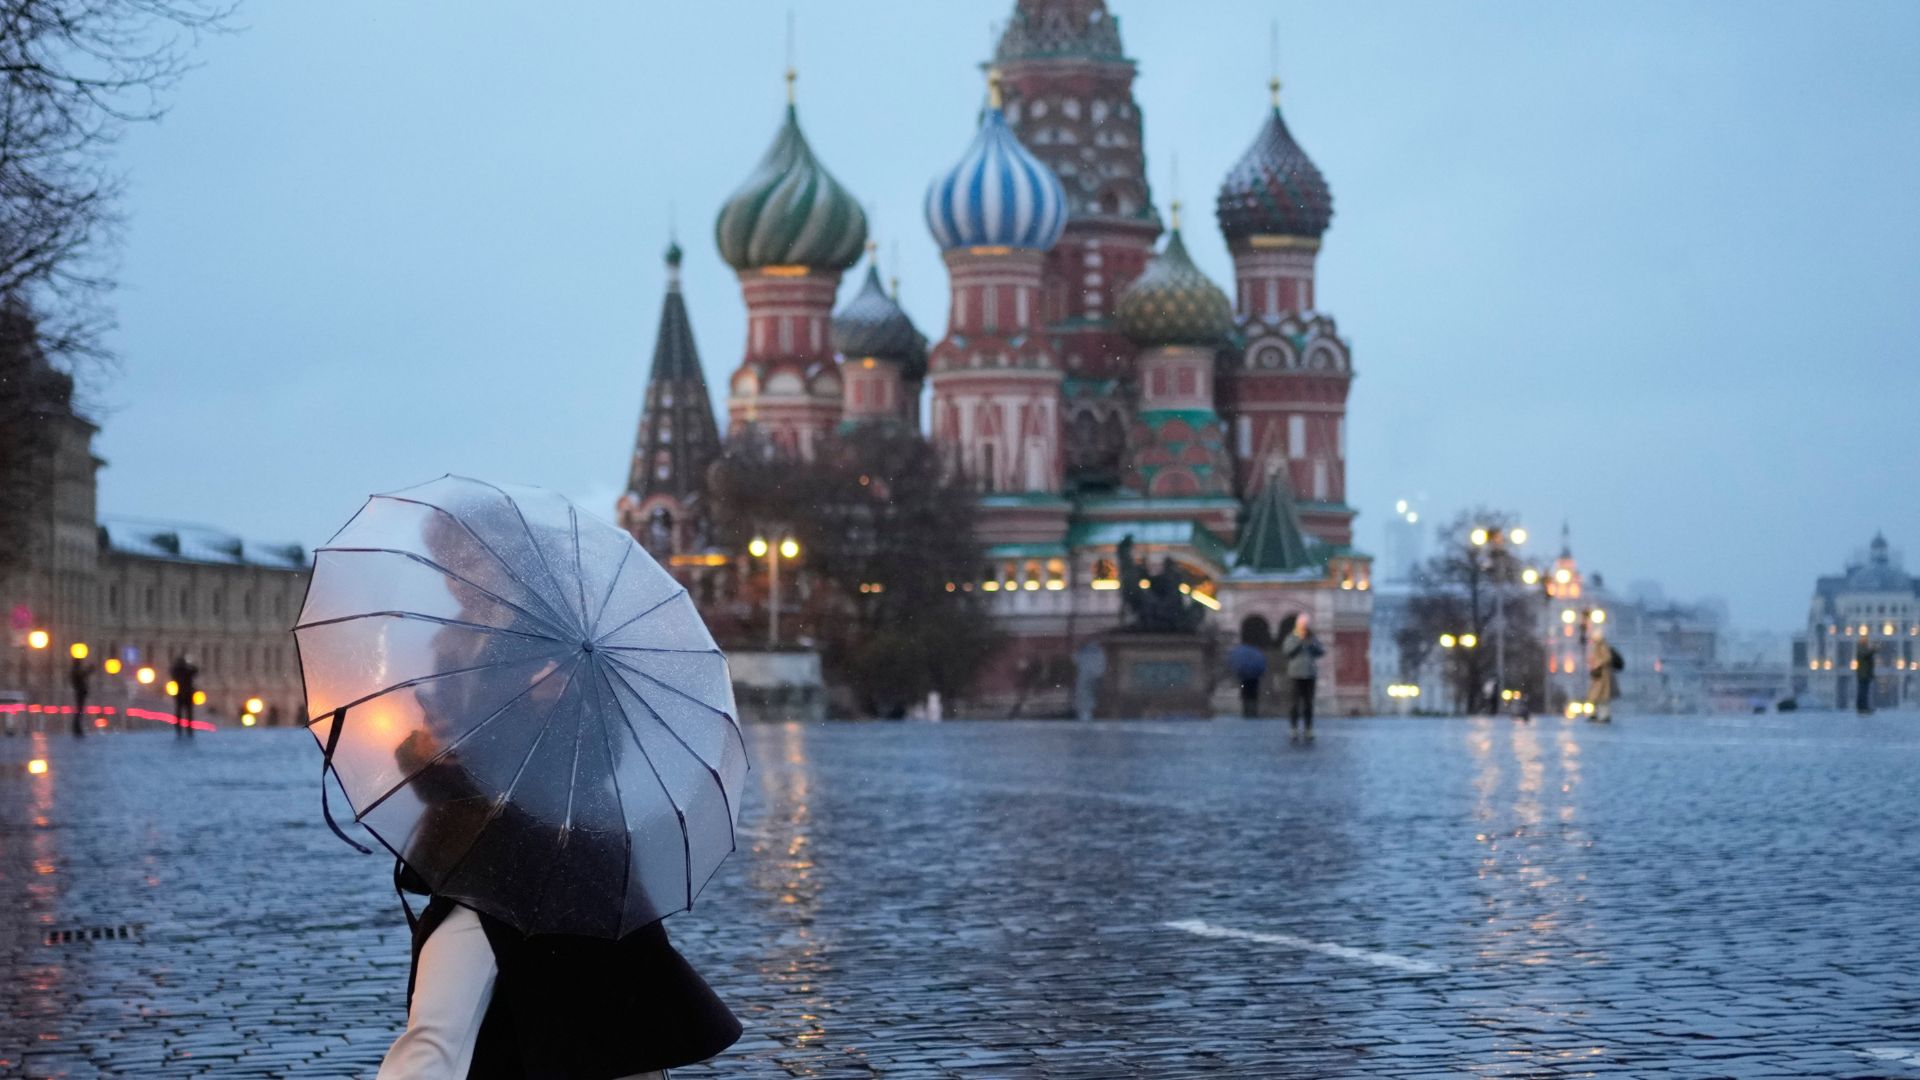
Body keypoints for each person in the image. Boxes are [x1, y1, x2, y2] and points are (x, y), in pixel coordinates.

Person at [1281, 615, 1326, 734]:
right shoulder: (1291, 637)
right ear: (1298, 625)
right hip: (1295, 674)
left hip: (1310, 674)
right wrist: (1300, 643)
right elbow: (1287, 652)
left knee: (1308, 703)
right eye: (1302, 625)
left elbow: (1321, 651)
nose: (1304, 627)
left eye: (1306, 625)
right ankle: (1294, 728)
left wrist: (1312, 644)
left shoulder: (1312, 638)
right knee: (1294, 703)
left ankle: (1308, 728)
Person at [1227, 638, 1267, 719]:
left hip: (1244, 676)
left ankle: (1246, 710)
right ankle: (1253, 711)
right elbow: (1262, 663)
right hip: (1255, 676)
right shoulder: (1256, 652)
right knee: (1253, 694)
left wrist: (1236, 671)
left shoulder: (1241, 652)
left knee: (1245, 693)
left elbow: (1233, 662)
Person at [1587, 632, 1618, 722]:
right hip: (1599, 676)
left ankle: (1603, 716)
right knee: (1596, 697)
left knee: (1602, 698)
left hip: (1603, 676)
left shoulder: (1602, 646)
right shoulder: (1597, 646)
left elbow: (1607, 658)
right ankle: (1597, 715)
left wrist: (1597, 663)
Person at [1073, 639, 1105, 722]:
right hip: (1089, 679)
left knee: (1085, 698)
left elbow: (1074, 658)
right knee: (1085, 698)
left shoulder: (1086, 653)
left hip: (1087, 680)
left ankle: (1086, 715)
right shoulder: (1098, 653)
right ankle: (1085, 715)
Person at [169, 655, 199, 737]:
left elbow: (172, 673)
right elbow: (196, 671)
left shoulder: (176, 670)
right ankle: (189, 729)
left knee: (179, 712)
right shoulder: (187, 670)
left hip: (179, 693)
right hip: (188, 693)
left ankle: (178, 729)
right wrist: (190, 664)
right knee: (188, 712)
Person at [68, 653, 93, 738]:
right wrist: (89, 670)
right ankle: (76, 728)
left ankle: (77, 728)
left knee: (79, 711)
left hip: (80, 692)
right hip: (80, 692)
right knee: (79, 711)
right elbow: (82, 676)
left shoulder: (75, 670)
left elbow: (82, 675)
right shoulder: (75, 671)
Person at [1856, 636, 1877, 715]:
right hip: (1863, 674)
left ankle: (1864, 707)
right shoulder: (1861, 649)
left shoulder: (1864, 649)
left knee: (1865, 692)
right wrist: (1872, 650)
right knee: (1862, 692)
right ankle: (1862, 708)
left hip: (1866, 674)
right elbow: (1865, 655)